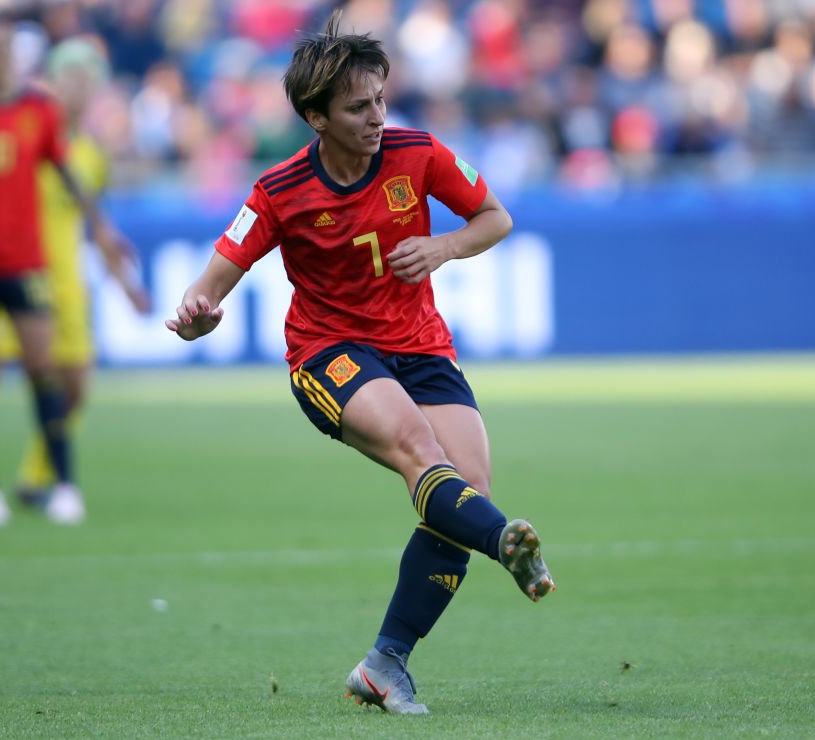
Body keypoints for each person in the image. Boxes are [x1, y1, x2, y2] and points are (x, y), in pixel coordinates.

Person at [165, 13, 555, 715]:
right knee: (420, 452)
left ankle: (384, 665)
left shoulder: (419, 152)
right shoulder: (279, 190)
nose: (376, 117)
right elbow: (208, 286)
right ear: (315, 116)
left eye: (379, 99)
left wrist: (443, 249)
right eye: (357, 107)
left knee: (467, 485)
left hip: (422, 344)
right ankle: (507, 542)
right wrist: (197, 317)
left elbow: (495, 217)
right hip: (331, 353)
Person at [0, 35, 150, 521]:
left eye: (88, 81)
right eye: (71, 79)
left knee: (71, 385)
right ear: (54, 81)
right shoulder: (33, 123)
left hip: (58, 283)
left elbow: (92, 215)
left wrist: (124, 280)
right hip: (20, 268)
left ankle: (40, 479)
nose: (79, 90)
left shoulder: (86, 151)